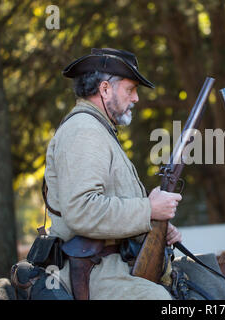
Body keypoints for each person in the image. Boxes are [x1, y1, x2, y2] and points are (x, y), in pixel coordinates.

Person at [44, 48, 182, 299]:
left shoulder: (97, 128)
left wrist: (154, 224)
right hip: (94, 270)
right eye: (131, 89)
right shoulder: (84, 129)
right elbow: (82, 210)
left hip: (110, 263)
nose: (136, 98)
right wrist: (148, 209)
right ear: (105, 89)